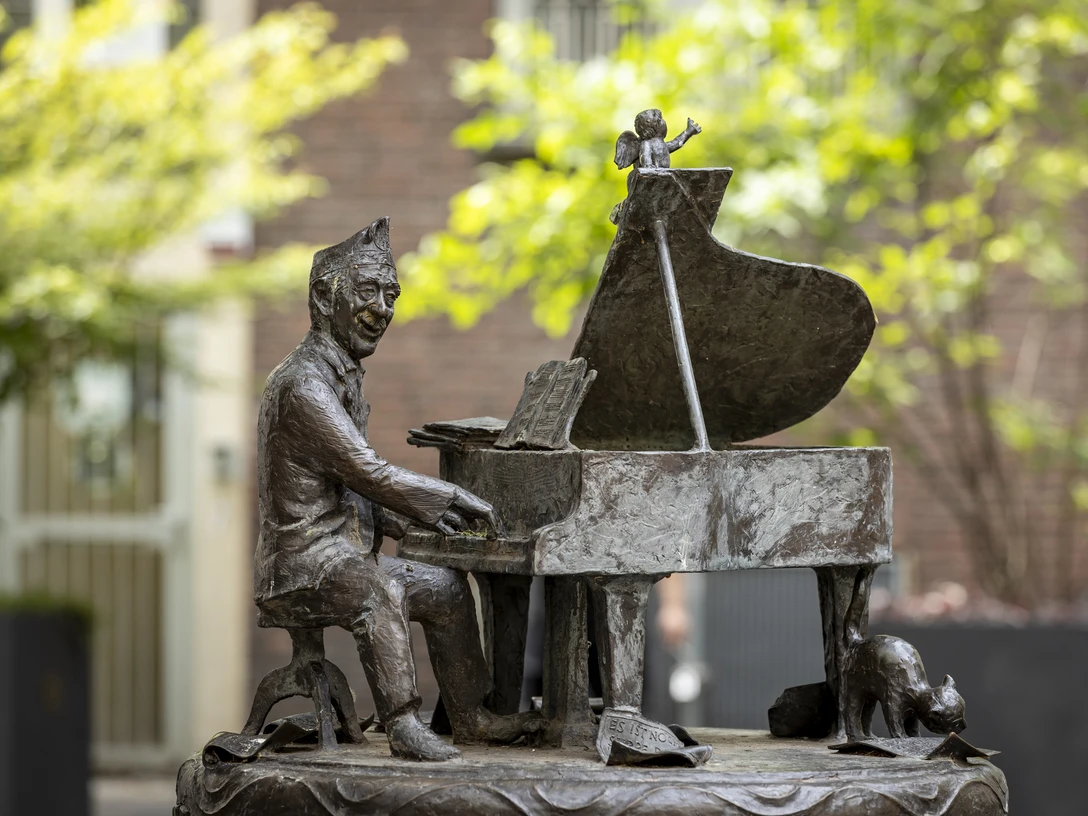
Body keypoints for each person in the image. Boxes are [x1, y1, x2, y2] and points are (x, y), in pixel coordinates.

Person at [253, 216, 539, 761]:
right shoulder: (303, 385)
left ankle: (471, 715)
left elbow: (355, 489)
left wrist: (421, 526)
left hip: (338, 555)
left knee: (447, 588)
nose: (382, 308)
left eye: (391, 294)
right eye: (367, 290)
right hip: (299, 566)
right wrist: (448, 499)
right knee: (378, 591)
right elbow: (366, 471)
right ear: (321, 295)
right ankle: (403, 724)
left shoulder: (340, 377)